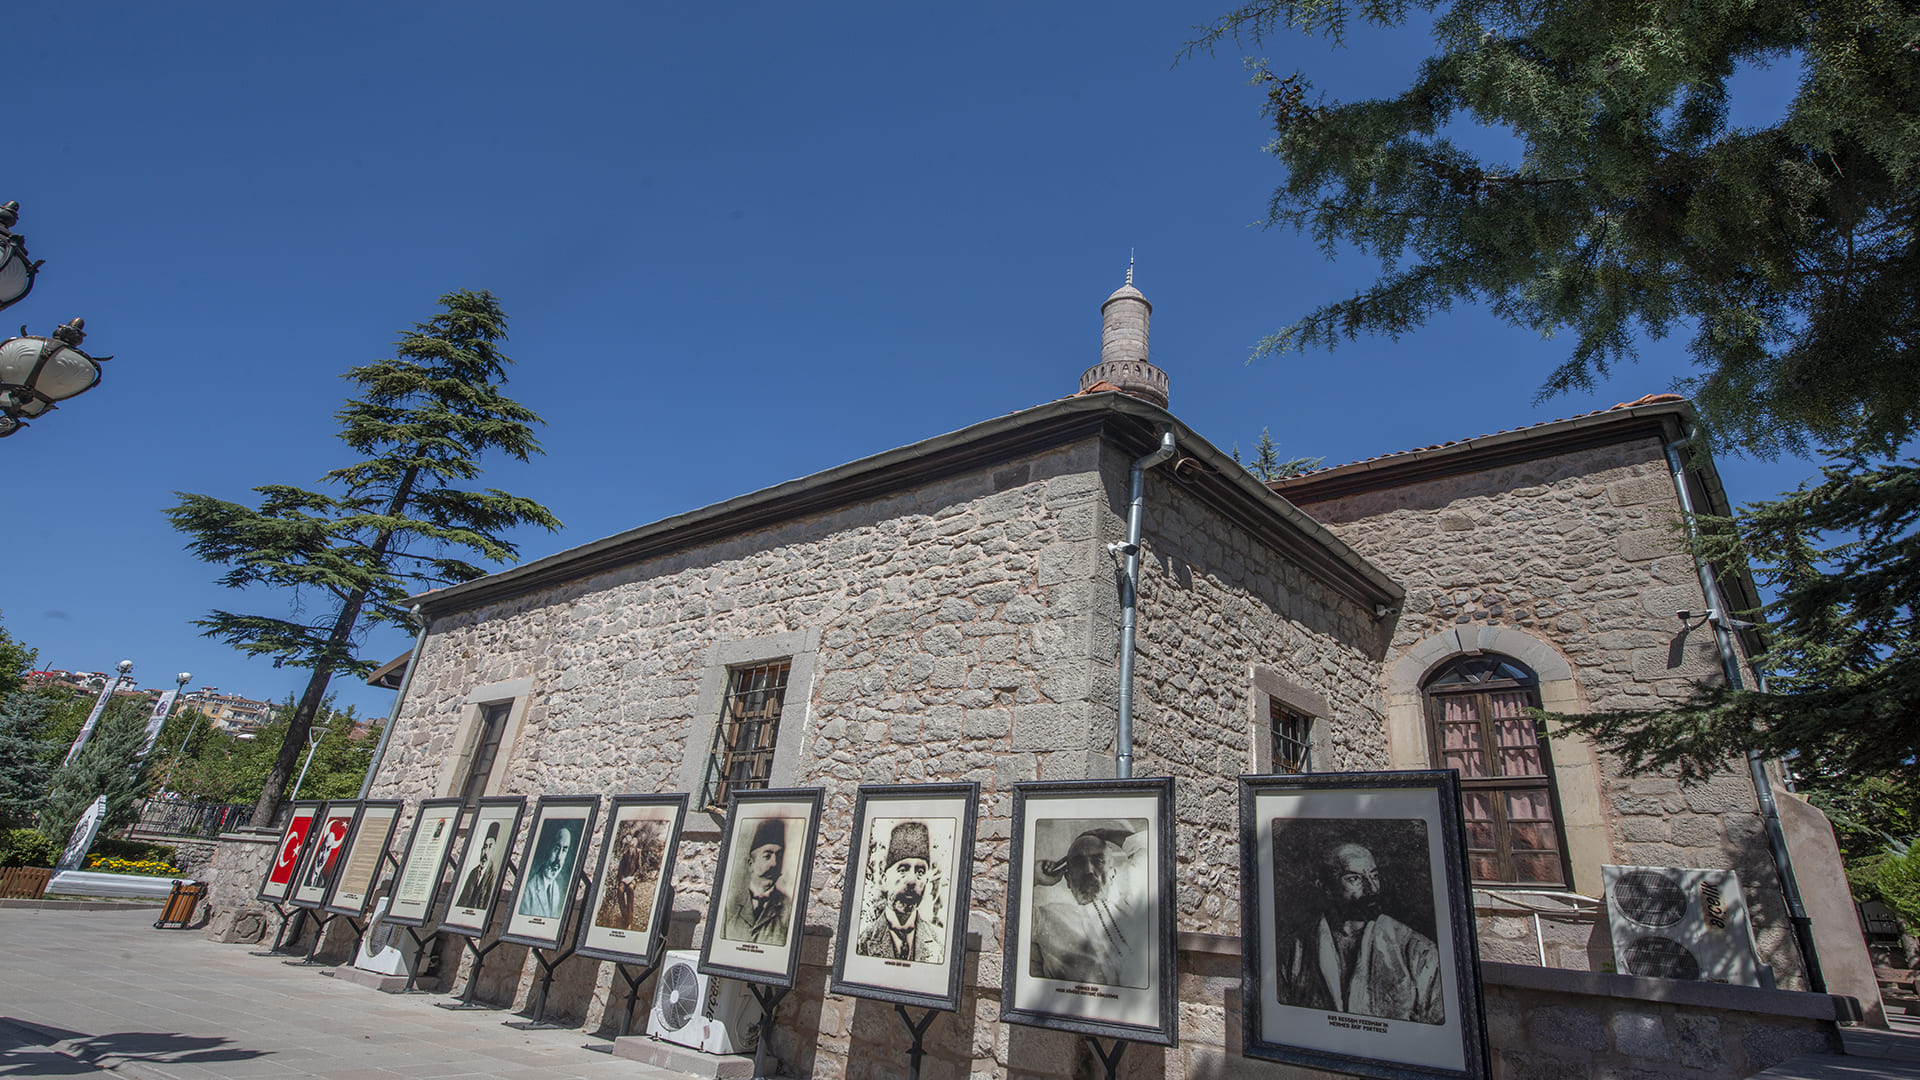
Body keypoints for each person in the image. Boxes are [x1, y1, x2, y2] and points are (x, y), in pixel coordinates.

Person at [1274, 840, 1443, 1024]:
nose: (1372, 889)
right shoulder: (1293, 951)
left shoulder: (1416, 950)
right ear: (1325, 887)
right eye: (1354, 879)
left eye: (1374, 876)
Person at [1030, 825, 1149, 988]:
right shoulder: (1044, 918)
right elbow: (1010, 910)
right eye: (1079, 863)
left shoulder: (1133, 903)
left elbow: (1149, 848)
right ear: (1067, 879)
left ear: (1113, 873)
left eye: (1098, 860)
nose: (1089, 870)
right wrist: (1034, 875)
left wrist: (1104, 833)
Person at [855, 821, 943, 962]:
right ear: (884, 879)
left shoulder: (939, 943)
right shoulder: (862, 941)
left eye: (920, 872)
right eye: (903, 870)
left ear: (927, 881)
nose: (912, 880)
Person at [720, 818, 791, 944]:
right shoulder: (730, 904)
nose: (774, 864)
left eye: (778, 856)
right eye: (767, 856)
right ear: (750, 863)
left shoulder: (788, 907)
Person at [594, 820, 662, 932]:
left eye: (634, 843)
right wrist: (621, 879)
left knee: (630, 890)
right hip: (623, 878)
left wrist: (633, 878)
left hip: (632, 878)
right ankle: (624, 914)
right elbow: (621, 868)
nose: (632, 845)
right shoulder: (625, 854)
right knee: (620, 891)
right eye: (630, 843)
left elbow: (639, 869)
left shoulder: (638, 853)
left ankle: (629, 919)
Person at [517, 822, 576, 919]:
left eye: (564, 850)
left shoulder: (555, 889)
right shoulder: (528, 891)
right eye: (556, 848)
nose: (559, 858)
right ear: (548, 848)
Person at [455, 822, 501, 910]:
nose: (486, 852)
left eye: (490, 847)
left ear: (494, 851)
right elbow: (462, 901)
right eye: (485, 846)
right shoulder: (474, 872)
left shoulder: (494, 874)